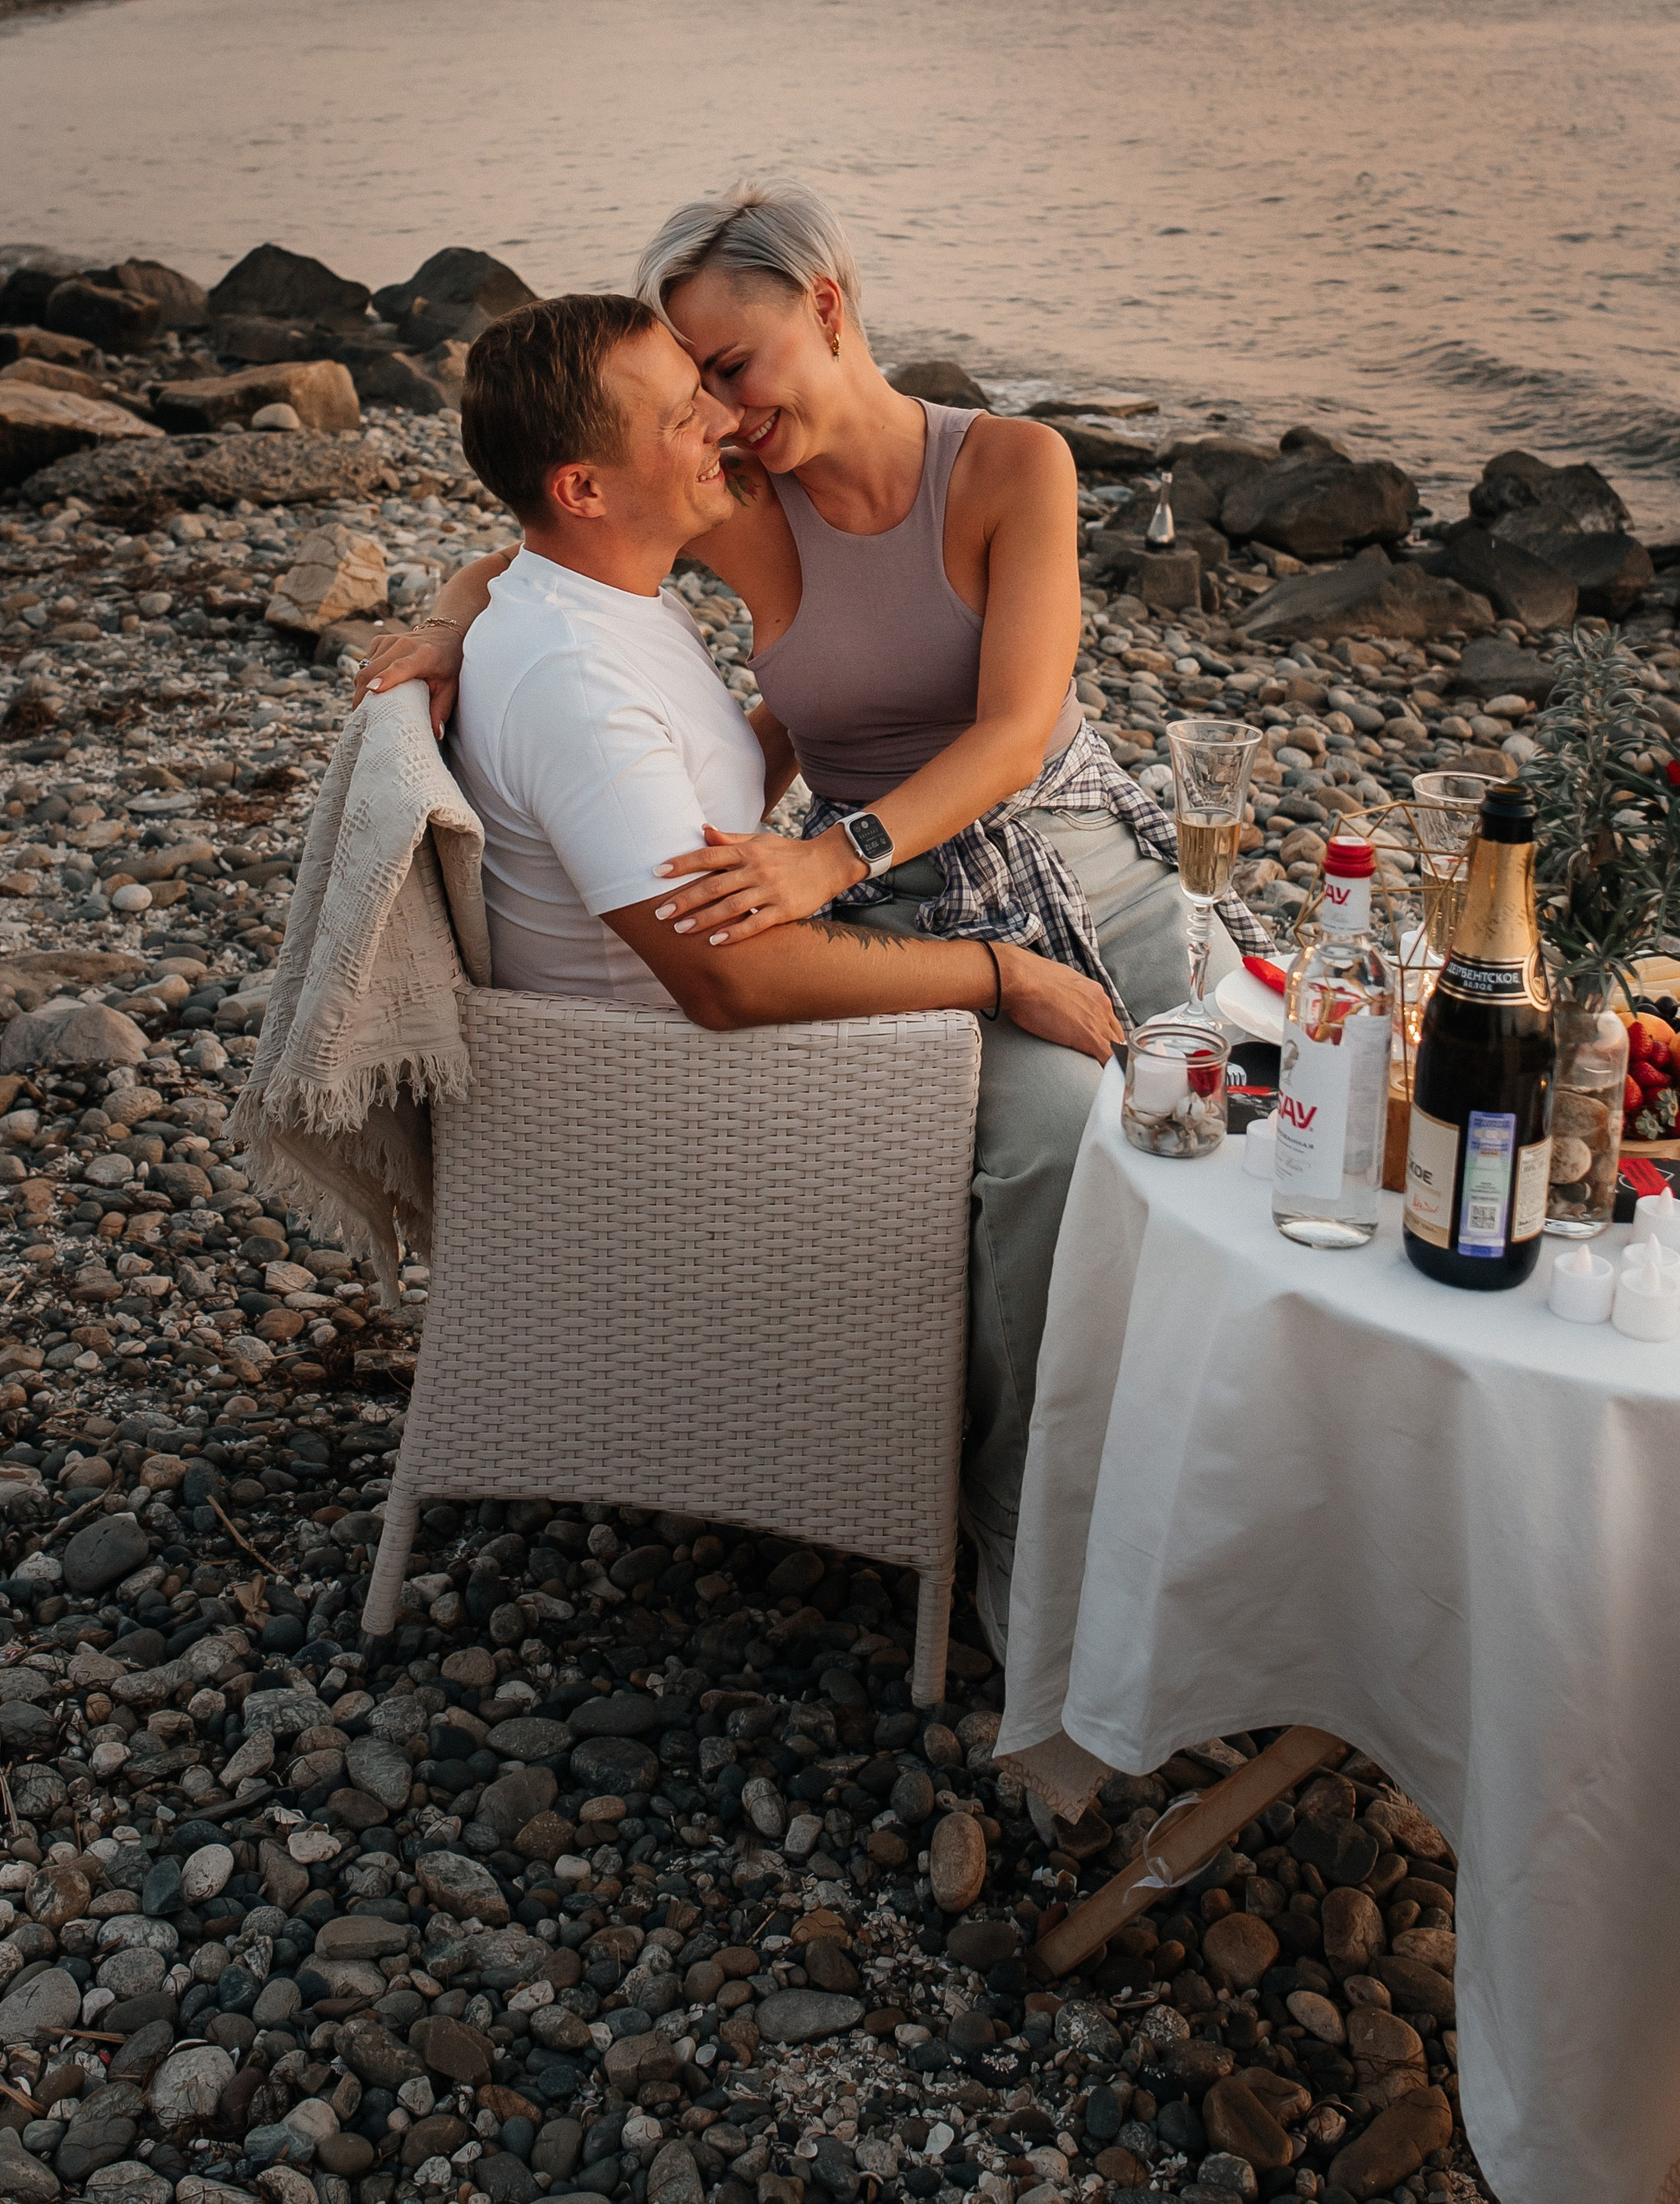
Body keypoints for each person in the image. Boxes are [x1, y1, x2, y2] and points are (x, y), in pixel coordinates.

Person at [358, 185, 1260, 1641]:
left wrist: (824, 854)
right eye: (694, 382)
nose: (718, 408)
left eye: (732, 364)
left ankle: (1222, 1474)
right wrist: (460, 620)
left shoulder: (1013, 464)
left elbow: (1018, 734)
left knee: (1247, 1118)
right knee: (1048, 1158)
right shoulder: (741, 505)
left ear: (828, 304)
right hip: (911, 899)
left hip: (1073, 848)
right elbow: (552, 527)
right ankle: (1015, 1519)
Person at [440, 290, 1116, 1056]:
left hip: (714, 1018)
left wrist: (443, 627)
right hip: (675, 1080)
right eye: (682, 415)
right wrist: (1003, 974)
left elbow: (699, 809)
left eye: (709, 385)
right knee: (1072, 1120)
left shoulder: (611, 602)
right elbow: (728, 981)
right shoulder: (577, 681)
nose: (723, 422)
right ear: (584, 491)